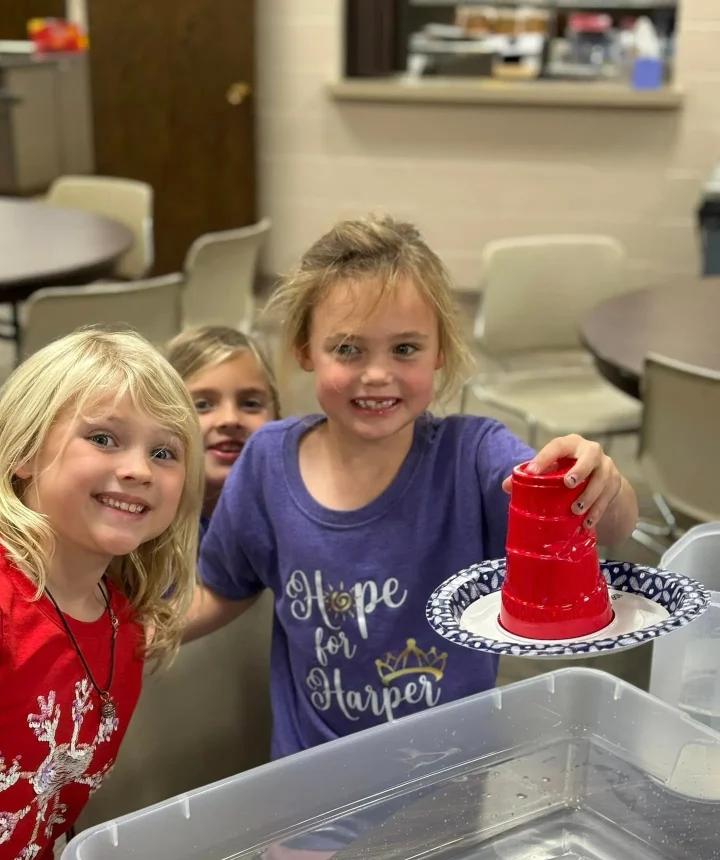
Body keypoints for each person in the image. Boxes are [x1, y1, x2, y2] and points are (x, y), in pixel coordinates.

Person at [186, 214, 639, 762]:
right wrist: (122, 639)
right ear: (305, 348)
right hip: (310, 784)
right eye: (349, 349)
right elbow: (220, 589)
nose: (378, 375)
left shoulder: (475, 456)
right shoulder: (266, 463)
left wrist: (602, 484)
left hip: (447, 782)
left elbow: (609, 528)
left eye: (405, 349)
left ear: (440, 350)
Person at [0, 329, 204, 860]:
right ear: (26, 452)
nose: (138, 469)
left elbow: (40, 815)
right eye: (105, 438)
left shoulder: (121, 633)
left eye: (164, 451)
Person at [163, 326, 280, 544]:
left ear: (277, 418)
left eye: (250, 404)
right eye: (203, 405)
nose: (230, 419)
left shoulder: (291, 527)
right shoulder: (141, 530)